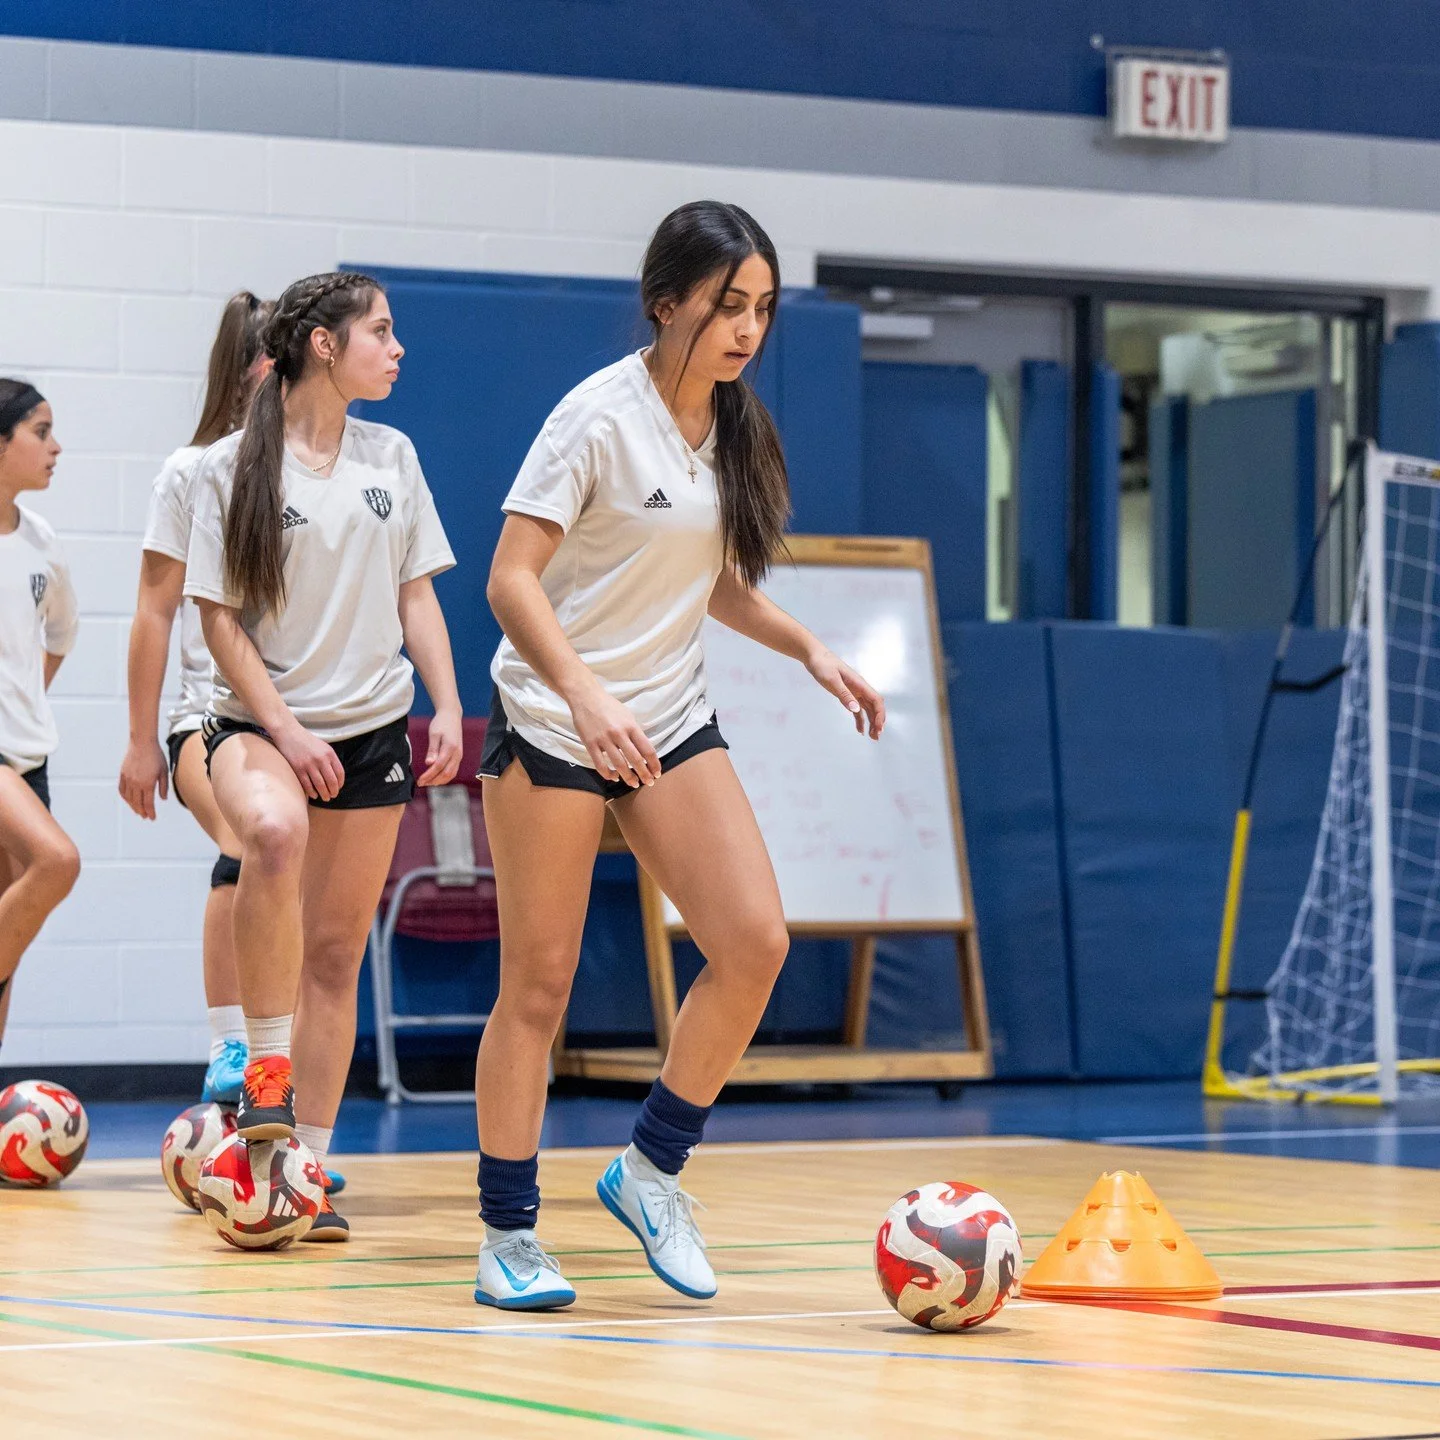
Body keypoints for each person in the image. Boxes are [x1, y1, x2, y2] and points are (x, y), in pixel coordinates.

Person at [473, 201, 885, 1310]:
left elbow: (703, 581)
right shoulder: (595, 419)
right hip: (558, 723)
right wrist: (583, 692)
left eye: (761, 310)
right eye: (726, 306)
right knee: (538, 987)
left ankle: (650, 1170)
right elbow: (511, 579)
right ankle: (509, 1234)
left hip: (668, 716)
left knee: (753, 941)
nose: (747, 330)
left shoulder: (733, 423)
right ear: (668, 303)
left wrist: (810, 650)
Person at [184, 271, 463, 1242]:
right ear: (322, 346)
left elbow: (418, 593)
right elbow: (217, 624)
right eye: (380, 331)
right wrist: (286, 731)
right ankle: (262, 1069)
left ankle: (302, 1161)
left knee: (337, 953)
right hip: (261, 721)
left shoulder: (393, 454)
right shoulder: (231, 467)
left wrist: (448, 703)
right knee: (268, 832)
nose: (397, 348)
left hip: (376, 728)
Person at [119, 292, 274, 1107]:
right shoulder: (190, 472)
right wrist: (142, 740)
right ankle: (230, 1044)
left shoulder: (320, 470)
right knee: (246, 850)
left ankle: (283, 1107)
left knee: (294, 894)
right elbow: (153, 610)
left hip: (301, 721)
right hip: (206, 715)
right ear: (262, 365)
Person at [0, 380, 80, 1051]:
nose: (56, 447)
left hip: (29, 756)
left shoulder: (42, 541)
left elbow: (55, 640)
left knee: (7, 953)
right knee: (57, 862)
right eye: (40, 431)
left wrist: (22, 702)